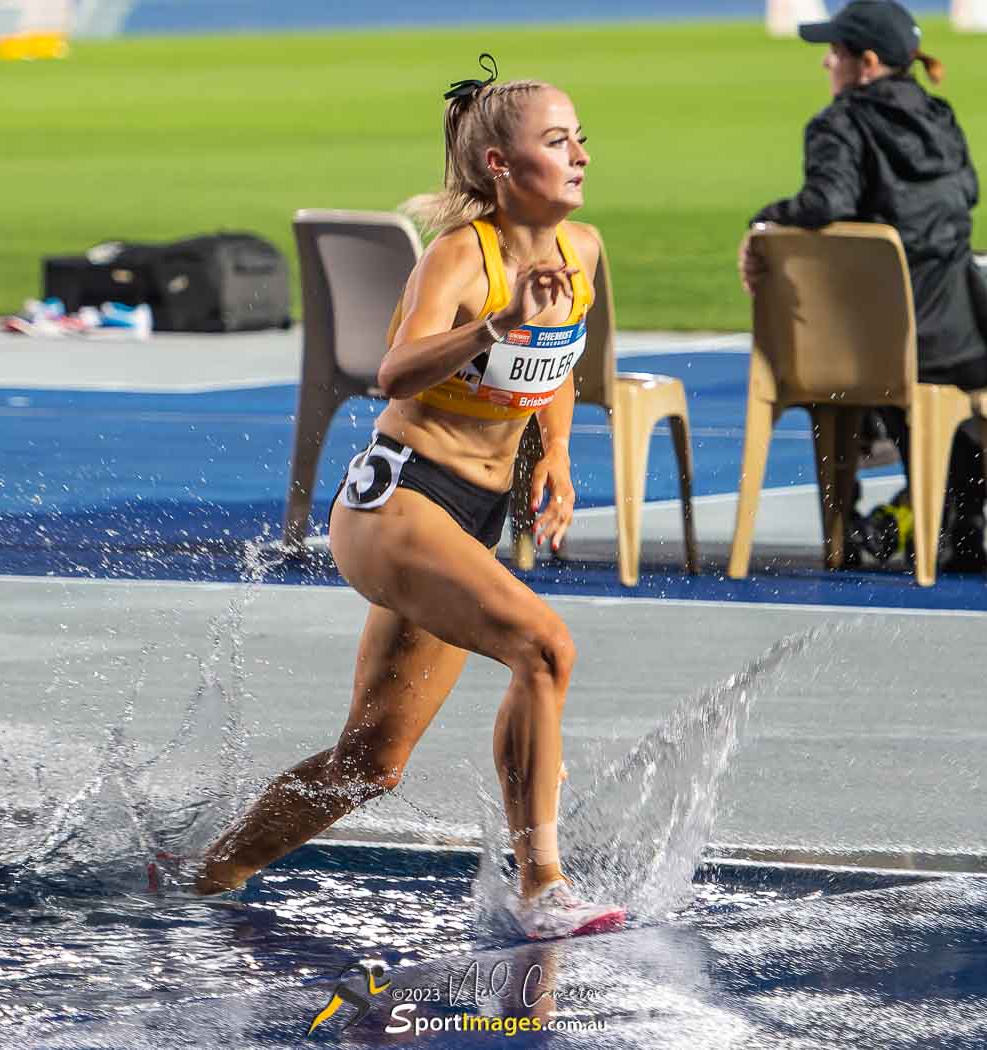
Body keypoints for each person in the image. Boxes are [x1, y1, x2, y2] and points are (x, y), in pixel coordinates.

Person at [188, 55, 625, 940]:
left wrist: (558, 455)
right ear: (500, 165)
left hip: (475, 515)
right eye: (555, 140)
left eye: (581, 137)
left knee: (371, 763)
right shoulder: (462, 258)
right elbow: (391, 368)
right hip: (398, 504)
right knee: (544, 648)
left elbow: (566, 362)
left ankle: (202, 876)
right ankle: (544, 886)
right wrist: (496, 324)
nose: (578, 154)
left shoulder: (582, 249)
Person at [739, 0, 987, 573]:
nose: (825, 65)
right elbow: (964, 199)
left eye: (833, 53)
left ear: (865, 63)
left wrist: (761, 225)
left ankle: (851, 523)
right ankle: (959, 520)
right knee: (920, 382)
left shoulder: (840, 122)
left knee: (854, 364)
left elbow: (825, 202)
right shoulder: (942, 118)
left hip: (880, 354)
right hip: (965, 342)